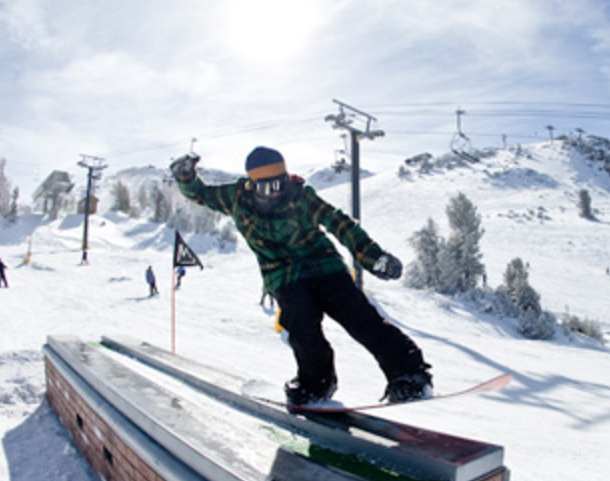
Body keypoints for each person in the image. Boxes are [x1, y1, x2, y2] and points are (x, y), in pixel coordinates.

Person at [171, 146, 432, 405]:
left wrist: (373, 256)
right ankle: (316, 384)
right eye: (267, 188)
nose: (276, 193)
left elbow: (339, 223)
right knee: (302, 329)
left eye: (280, 184)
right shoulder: (235, 197)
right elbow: (201, 194)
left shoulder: (300, 196)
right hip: (284, 277)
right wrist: (186, 177)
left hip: (325, 267)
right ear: (252, 185)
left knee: (361, 319)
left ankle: (409, 373)